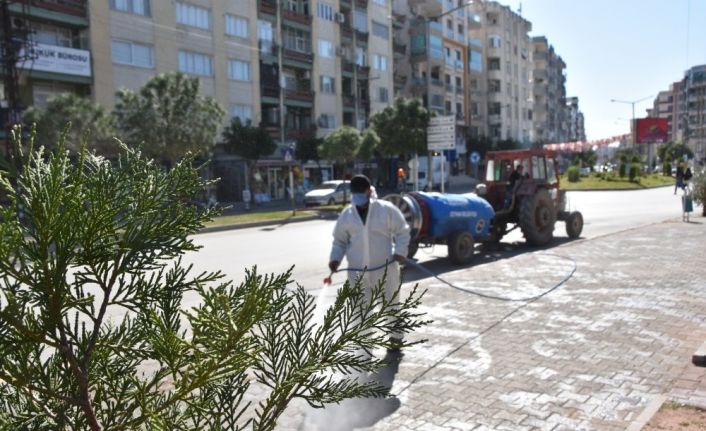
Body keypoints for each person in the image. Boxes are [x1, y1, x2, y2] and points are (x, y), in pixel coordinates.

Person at [328, 174, 410, 350]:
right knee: (360, 309)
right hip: (357, 272)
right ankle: (364, 344)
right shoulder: (347, 214)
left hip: (385, 269)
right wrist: (335, 259)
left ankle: (396, 338)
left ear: (368, 191)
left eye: (360, 192)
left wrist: (401, 252)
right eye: (354, 192)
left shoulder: (385, 210)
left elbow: (403, 231)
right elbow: (340, 241)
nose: (357, 196)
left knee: (390, 304)